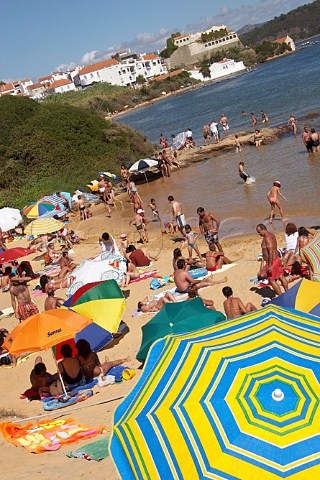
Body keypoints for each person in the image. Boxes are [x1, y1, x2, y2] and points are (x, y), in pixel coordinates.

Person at [256, 223, 288, 296]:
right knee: (281, 276)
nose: (258, 234)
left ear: (263, 230)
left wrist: (270, 265)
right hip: (276, 259)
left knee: (271, 280)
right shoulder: (270, 235)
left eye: (259, 232)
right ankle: (287, 291)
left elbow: (271, 252)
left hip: (272, 261)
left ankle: (281, 295)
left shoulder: (268, 238)